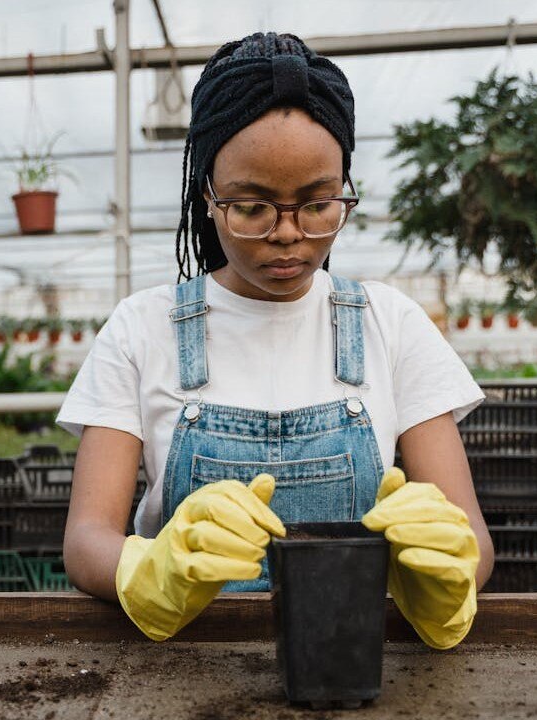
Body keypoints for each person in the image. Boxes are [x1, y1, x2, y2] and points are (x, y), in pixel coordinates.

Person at [57, 32, 492, 650]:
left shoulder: (389, 323)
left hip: (353, 658)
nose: (289, 234)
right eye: (252, 207)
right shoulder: (141, 328)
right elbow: (85, 540)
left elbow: (471, 537)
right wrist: (148, 569)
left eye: (318, 204)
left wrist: (444, 575)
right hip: (186, 665)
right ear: (207, 196)